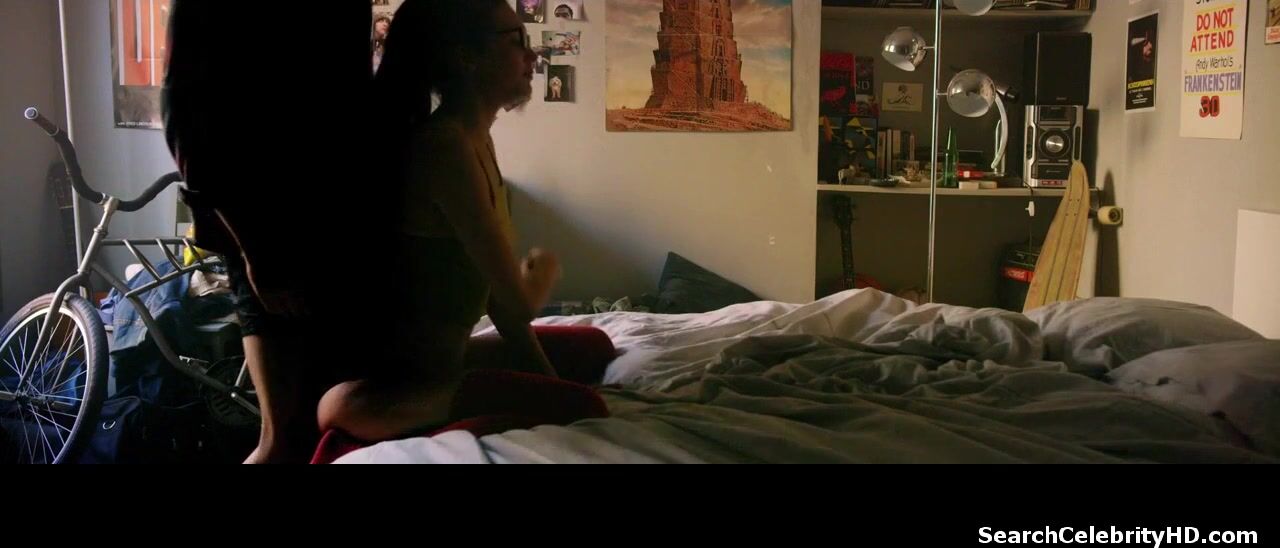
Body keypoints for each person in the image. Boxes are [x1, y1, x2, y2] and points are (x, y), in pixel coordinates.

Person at [316, 0, 562, 442]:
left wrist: (552, 384)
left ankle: (467, 392)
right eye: (517, 41)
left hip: (447, 364)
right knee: (582, 403)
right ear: (466, 57)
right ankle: (384, 407)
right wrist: (543, 269)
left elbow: (503, 308)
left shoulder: (475, 139)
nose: (532, 55)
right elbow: (518, 303)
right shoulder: (444, 148)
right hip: (405, 389)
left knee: (592, 351)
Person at [162, 1, 386, 463]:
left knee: (335, 434)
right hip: (269, 235)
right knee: (284, 439)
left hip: (343, 230)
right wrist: (258, 255)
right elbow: (185, 118)